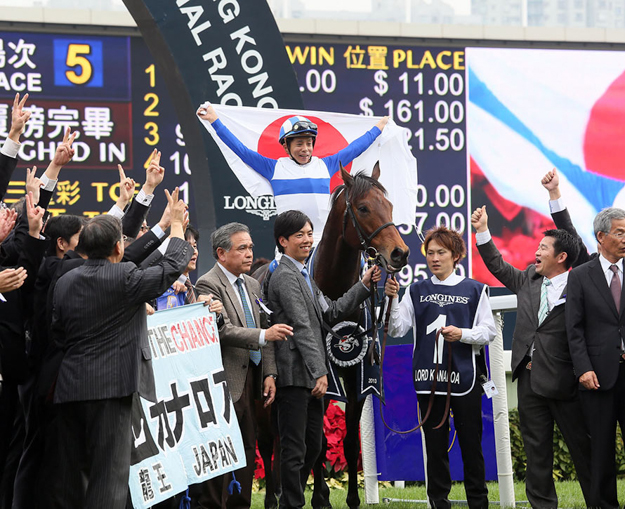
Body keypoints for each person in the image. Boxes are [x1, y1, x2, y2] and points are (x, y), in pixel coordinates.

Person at [49, 188, 192, 509]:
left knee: (74, 477)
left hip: (70, 387)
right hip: (111, 390)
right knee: (109, 476)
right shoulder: (125, 277)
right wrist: (178, 225)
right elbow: (172, 266)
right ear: (118, 247)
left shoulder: (65, 281)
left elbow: (57, 333)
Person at [471, 202, 591, 507]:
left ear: (562, 257)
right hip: (529, 379)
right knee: (536, 451)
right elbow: (497, 265)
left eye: (544, 248)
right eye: (536, 247)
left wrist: (555, 197)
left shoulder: (582, 283)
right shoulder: (527, 280)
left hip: (568, 380)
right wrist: (483, 230)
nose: (536, 253)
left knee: (583, 448)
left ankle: (599, 502)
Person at [267, 210, 380, 509]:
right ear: (283, 241)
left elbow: (330, 311)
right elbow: (303, 327)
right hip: (294, 376)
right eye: (299, 235)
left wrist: (364, 284)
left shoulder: (304, 275)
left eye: (309, 233)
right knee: (294, 449)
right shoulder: (285, 277)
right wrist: (321, 372)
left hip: (311, 377)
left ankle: (290, 502)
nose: (307, 240)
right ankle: (291, 504)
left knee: (313, 445)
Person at [384, 226, 496, 509]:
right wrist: (393, 298)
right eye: (430, 253)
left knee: (472, 447)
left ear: (455, 255)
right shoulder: (416, 290)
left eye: (441, 253)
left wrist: (463, 334)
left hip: (465, 380)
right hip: (429, 380)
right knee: (434, 448)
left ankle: (478, 503)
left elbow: (489, 331)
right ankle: (438, 502)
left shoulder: (475, 289)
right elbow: (398, 328)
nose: (434, 258)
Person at [191, 222, 292, 509]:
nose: (250, 254)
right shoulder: (207, 284)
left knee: (247, 448)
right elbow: (223, 331)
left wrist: (270, 372)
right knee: (219, 449)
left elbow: (265, 325)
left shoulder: (252, 284)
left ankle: (240, 505)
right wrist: (263, 336)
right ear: (221, 253)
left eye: (250, 247)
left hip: (253, 380)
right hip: (222, 381)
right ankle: (212, 504)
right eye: (242, 248)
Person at [197, 103, 388, 245]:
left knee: (359, 266)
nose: (305, 149)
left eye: (309, 143)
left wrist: (378, 128)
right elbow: (240, 150)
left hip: (324, 242)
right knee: (273, 280)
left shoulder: (326, 164)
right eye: (299, 144)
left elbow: (355, 148)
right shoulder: (273, 167)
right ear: (286, 147)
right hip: (290, 248)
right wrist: (215, 121)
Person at [566, 207, 625, 509]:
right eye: (620, 232)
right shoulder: (579, 276)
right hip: (597, 377)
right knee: (600, 448)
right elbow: (573, 328)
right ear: (601, 236)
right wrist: (583, 369)